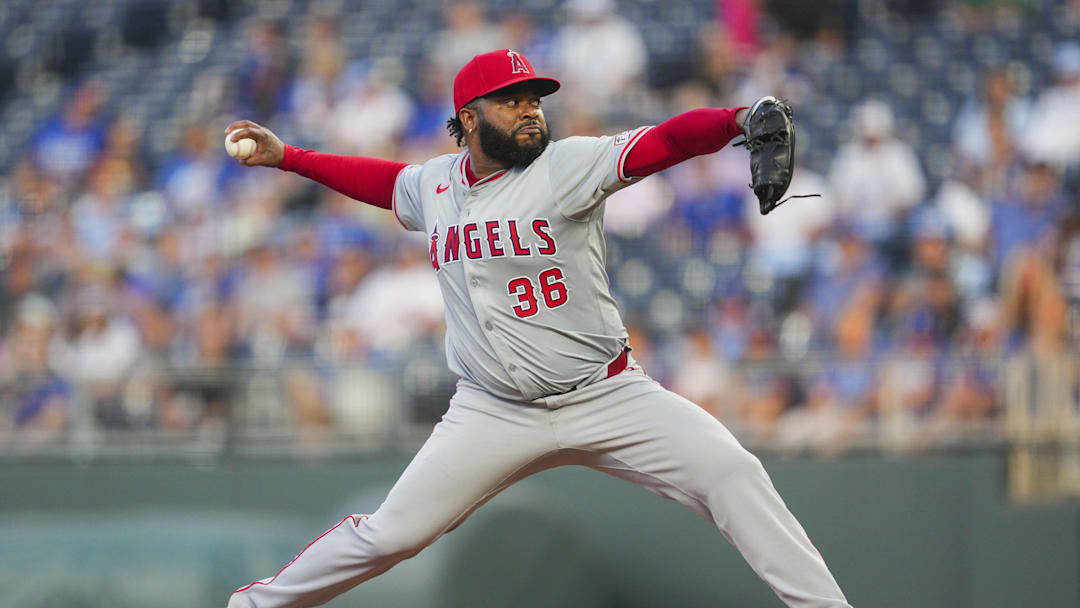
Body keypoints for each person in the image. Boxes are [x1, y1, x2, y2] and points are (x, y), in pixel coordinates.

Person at [224, 49, 850, 608]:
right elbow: (385, 183)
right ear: (469, 116)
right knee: (393, 533)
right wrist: (290, 158)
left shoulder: (566, 166)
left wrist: (737, 119)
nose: (530, 112)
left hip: (607, 394)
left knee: (732, 473)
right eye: (512, 101)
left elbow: (664, 142)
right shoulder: (435, 183)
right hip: (493, 409)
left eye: (535, 101)